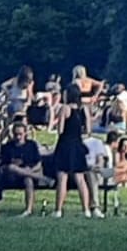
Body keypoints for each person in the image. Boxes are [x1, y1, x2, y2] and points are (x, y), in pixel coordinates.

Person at [52, 90, 94, 218]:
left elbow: (60, 130)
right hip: (78, 144)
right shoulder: (84, 109)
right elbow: (88, 130)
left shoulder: (65, 108)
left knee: (62, 177)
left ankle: (58, 210)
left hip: (65, 144)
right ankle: (86, 209)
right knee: (80, 178)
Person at [0, 123, 45, 218]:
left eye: (20, 134)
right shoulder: (8, 146)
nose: (18, 137)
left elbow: (38, 163)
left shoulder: (31, 145)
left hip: (28, 174)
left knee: (28, 179)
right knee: (12, 167)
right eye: (16, 134)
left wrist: (30, 170)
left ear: (25, 133)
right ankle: (43, 178)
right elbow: (4, 165)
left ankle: (28, 210)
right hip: (11, 176)